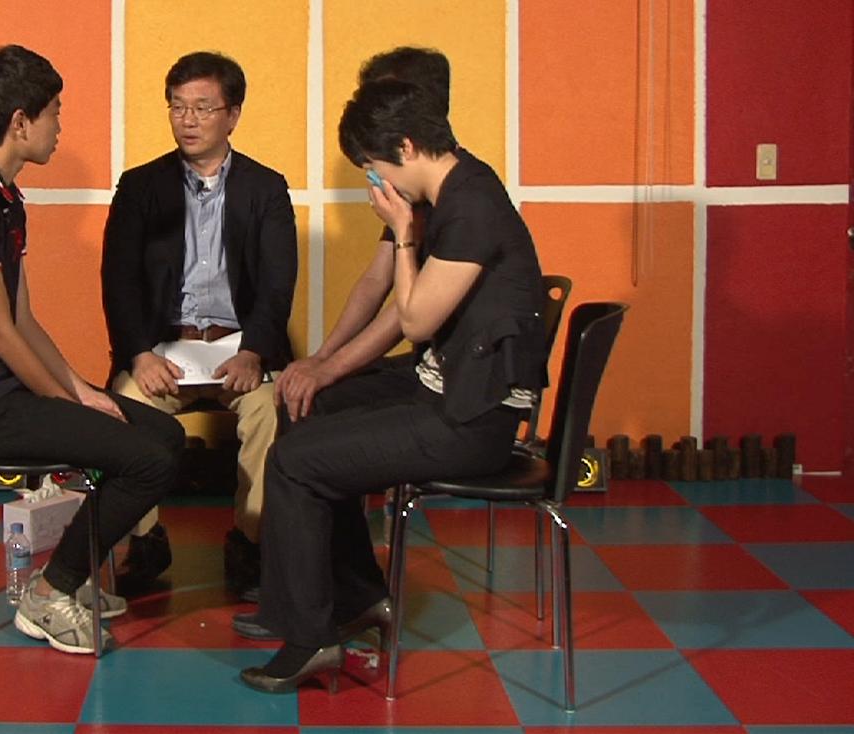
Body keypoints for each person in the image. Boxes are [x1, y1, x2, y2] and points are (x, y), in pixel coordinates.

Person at [238, 78, 546, 692]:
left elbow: (416, 321)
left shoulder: (471, 206)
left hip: (470, 420)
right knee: (308, 405)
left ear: (405, 147)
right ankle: (352, 597)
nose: (375, 183)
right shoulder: (452, 192)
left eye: (374, 168)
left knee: (295, 462)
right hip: (445, 390)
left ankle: (310, 638)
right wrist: (324, 365)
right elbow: (399, 310)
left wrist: (405, 232)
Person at [0, 45, 184, 655]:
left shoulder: (5, 199)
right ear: (20, 121)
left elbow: (24, 319)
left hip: (6, 393)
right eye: (54, 112)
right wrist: (69, 402)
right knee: (149, 462)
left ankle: (70, 577)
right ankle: (49, 593)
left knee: (165, 436)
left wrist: (82, 390)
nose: (60, 126)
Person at [101, 51, 298, 599]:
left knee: (268, 410)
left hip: (240, 348)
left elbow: (278, 283)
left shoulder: (265, 188)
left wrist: (255, 351)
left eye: (203, 108)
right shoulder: (140, 187)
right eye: (178, 107)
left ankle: (250, 543)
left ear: (232, 115)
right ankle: (145, 541)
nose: (188, 120)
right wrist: (139, 354)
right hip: (166, 349)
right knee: (126, 406)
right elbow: (119, 281)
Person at [274, 47, 449, 425]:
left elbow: (407, 315)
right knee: (304, 396)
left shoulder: (454, 195)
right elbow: (375, 281)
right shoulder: (409, 191)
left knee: (318, 400)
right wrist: (322, 357)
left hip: (449, 384)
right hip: (424, 365)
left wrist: (330, 368)